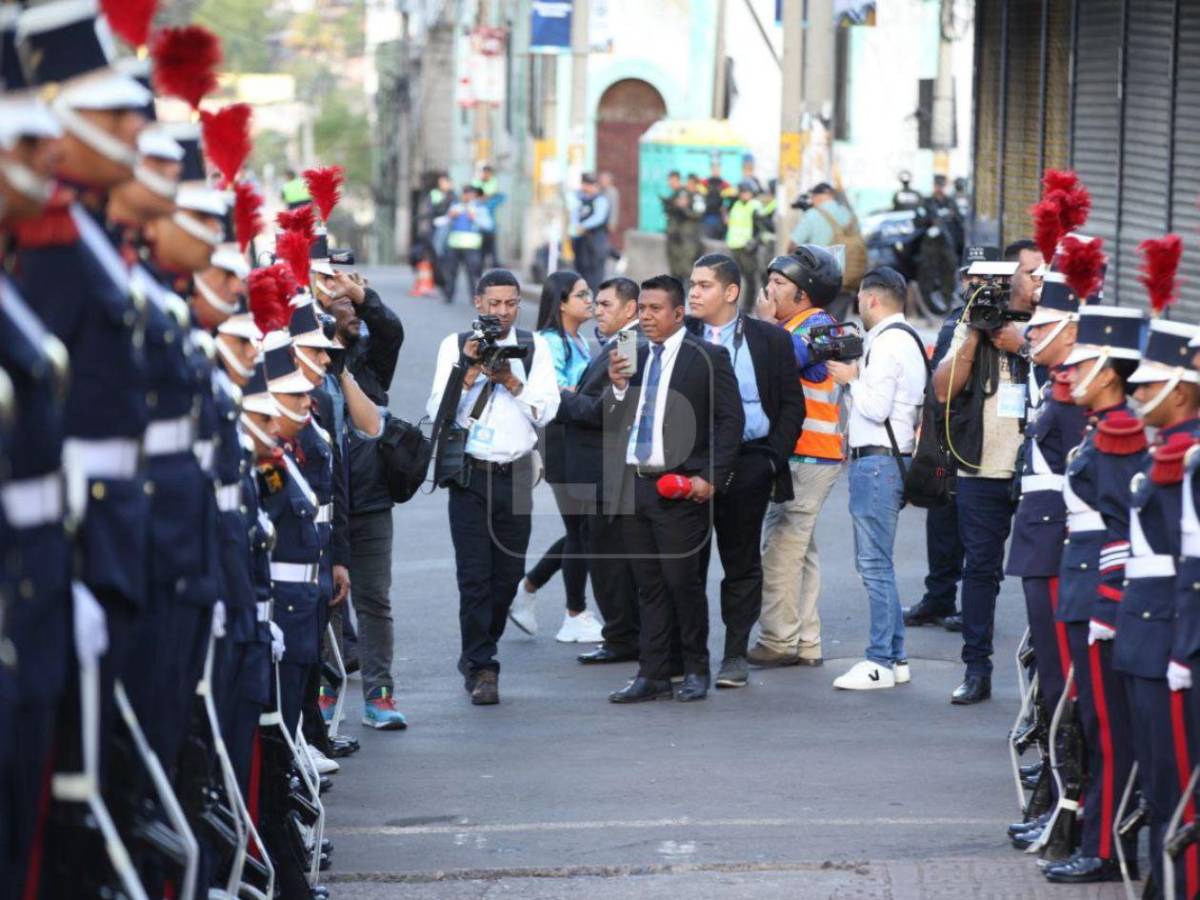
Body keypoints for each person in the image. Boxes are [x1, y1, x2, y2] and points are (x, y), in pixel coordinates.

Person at [1035, 305, 1145, 882]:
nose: (1069, 375)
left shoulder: (1119, 435)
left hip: (1097, 590)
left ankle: (1104, 846)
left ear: (1108, 373)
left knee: (1108, 726)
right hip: (1081, 580)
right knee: (1093, 721)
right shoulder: (1103, 431)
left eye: (1083, 366)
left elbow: (1120, 530)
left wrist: (1106, 601)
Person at [605, 275, 743, 704]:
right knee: (647, 586)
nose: (645, 316)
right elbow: (612, 416)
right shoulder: (634, 355)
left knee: (683, 582)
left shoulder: (708, 357)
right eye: (641, 308)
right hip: (637, 483)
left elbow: (729, 421)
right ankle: (653, 674)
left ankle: (696, 668)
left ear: (678, 313)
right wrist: (617, 386)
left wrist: (711, 478)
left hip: (681, 487)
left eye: (654, 309)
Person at [426, 269, 560, 705]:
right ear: (478, 304)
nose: (502, 313)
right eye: (494, 304)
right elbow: (436, 411)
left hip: (517, 474)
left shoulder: (534, 346)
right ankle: (483, 665)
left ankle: (480, 645)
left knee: (506, 575)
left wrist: (509, 381)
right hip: (470, 474)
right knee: (474, 577)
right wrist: (468, 371)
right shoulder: (455, 345)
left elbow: (545, 410)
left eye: (511, 304)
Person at [687, 254, 805, 688]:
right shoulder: (681, 334)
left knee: (740, 563)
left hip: (749, 463)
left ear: (731, 292)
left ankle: (734, 652)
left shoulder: (769, 340)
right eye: (692, 284)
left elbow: (793, 405)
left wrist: (772, 458)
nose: (694, 292)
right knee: (688, 564)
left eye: (704, 285)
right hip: (693, 464)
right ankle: (689, 655)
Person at [1111, 318, 1200, 894]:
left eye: (1148, 386)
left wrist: (1183, 651)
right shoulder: (1169, 454)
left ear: (1183, 389)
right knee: (1159, 780)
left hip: (1171, 638)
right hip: (1149, 632)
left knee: (1176, 788)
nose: (1137, 394)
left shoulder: (1186, 458)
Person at [932, 254, 1035, 704]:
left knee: (1041, 574)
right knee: (980, 570)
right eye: (1029, 273)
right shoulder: (971, 322)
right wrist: (975, 334)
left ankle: (1047, 676)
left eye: (1038, 274)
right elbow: (942, 390)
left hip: (1039, 472)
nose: (1034, 280)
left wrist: (1024, 344)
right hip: (981, 466)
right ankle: (977, 668)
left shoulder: (1056, 323)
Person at [826, 267, 927, 690]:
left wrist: (850, 381)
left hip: (879, 464)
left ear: (871, 300)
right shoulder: (908, 339)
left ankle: (880, 661)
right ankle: (896, 657)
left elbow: (875, 409)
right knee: (878, 563)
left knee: (874, 566)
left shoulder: (887, 345)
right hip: (890, 462)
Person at [1003, 271, 1088, 759]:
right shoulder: (1056, 382)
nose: (1031, 330)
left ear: (1072, 330)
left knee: (1063, 676)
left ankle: (1066, 786)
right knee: (1051, 672)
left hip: (1056, 543)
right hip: (1042, 539)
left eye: (1044, 322)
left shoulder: (1075, 393)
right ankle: (1060, 778)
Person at [750, 248, 846, 669]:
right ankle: (806, 641)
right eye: (769, 281)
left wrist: (764, 323)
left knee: (781, 548)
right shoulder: (793, 324)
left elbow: (781, 358)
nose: (768, 290)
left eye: (779, 284)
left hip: (810, 453)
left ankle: (778, 640)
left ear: (805, 293)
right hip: (805, 453)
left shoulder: (818, 325)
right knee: (799, 550)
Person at [513, 271, 605, 643]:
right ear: (561, 302)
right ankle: (574, 612)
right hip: (561, 443)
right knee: (582, 530)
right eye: (582, 294)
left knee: (581, 529)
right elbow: (557, 393)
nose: (591, 300)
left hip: (580, 440)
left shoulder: (579, 340)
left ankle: (530, 588)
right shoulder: (549, 342)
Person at [558, 277, 645, 664]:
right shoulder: (617, 343)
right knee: (608, 557)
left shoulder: (627, 345)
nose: (597, 310)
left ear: (630, 309)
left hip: (605, 472)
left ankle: (622, 637)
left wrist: (562, 400)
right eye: (596, 302)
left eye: (607, 304)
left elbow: (608, 412)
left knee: (609, 561)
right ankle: (623, 634)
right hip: (600, 471)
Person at [725, 182, 775, 313]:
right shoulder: (736, 205)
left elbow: (761, 228)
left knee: (750, 279)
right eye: (742, 192)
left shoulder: (755, 206)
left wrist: (755, 242)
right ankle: (734, 305)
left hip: (747, 248)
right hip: (734, 246)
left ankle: (747, 308)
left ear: (752, 193)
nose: (744, 194)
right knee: (734, 278)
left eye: (746, 192)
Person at [914, 174, 962, 310]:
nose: (939, 188)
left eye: (942, 185)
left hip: (947, 245)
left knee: (949, 272)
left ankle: (946, 304)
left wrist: (952, 217)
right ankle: (927, 307)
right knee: (928, 275)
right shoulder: (926, 202)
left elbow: (959, 221)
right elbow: (917, 221)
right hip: (930, 246)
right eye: (937, 185)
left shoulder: (950, 202)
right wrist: (930, 220)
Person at [442, 184, 494, 304]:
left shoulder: (480, 209)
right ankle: (448, 296)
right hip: (454, 245)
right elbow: (444, 223)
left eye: (471, 195)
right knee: (451, 272)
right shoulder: (455, 207)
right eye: (466, 194)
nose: (468, 197)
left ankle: (474, 298)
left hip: (472, 246)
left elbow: (488, 225)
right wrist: (450, 217)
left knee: (473, 274)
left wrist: (475, 218)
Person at [570, 173, 611, 291]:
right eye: (584, 185)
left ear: (595, 186)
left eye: (589, 185)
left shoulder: (600, 199)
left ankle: (594, 298)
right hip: (580, 238)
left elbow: (599, 217)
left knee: (594, 271)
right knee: (581, 268)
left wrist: (583, 226)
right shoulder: (579, 199)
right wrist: (576, 226)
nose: (586, 188)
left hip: (595, 238)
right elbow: (574, 215)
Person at [663, 171, 703, 282]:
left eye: (691, 183)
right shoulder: (683, 195)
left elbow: (697, 214)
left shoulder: (697, 197)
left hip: (690, 239)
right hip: (678, 238)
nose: (688, 186)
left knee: (687, 271)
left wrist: (684, 208)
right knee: (676, 270)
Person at [701, 159, 735, 240]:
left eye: (717, 169)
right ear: (711, 169)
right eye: (713, 169)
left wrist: (726, 212)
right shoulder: (705, 182)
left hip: (719, 216)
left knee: (719, 239)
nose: (715, 171)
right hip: (707, 215)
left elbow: (731, 198)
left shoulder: (724, 184)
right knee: (708, 238)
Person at [599, 170, 621, 246]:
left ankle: (616, 256)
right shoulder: (600, 190)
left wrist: (612, 222)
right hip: (599, 220)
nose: (601, 181)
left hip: (606, 221)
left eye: (603, 180)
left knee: (604, 240)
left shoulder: (612, 192)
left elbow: (614, 208)